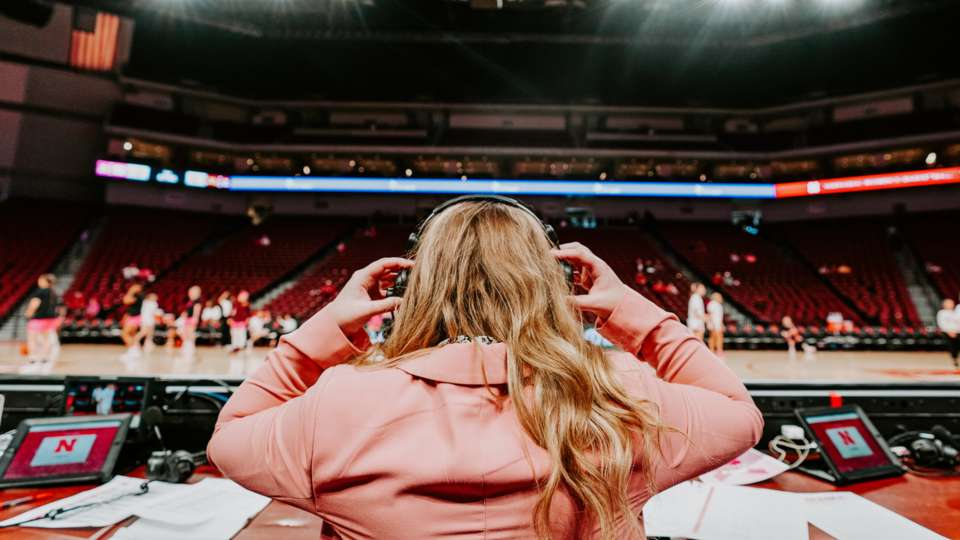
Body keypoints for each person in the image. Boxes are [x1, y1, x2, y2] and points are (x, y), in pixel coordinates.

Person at [207, 197, 762, 540]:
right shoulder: (621, 395)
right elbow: (741, 414)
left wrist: (319, 337)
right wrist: (634, 316)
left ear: (408, 290)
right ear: (554, 288)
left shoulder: (336, 403)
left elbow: (227, 440)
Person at [25, 274, 60, 362]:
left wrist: (29, 311)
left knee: (32, 339)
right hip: (51, 319)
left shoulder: (40, 291)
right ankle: (45, 357)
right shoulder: (54, 292)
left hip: (39, 318)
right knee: (46, 339)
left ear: (44, 281)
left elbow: (35, 302)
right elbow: (57, 308)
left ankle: (32, 358)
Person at [119, 284, 144, 361]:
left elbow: (126, 301)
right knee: (131, 335)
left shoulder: (137, 296)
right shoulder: (137, 296)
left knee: (125, 334)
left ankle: (132, 351)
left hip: (135, 318)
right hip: (136, 317)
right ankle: (135, 351)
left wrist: (130, 291)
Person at [937, 299, 960, 368]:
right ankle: (954, 360)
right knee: (953, 347)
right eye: (949, 303)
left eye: (952, 303)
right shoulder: (942, 313)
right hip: (949, 332)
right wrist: (949, 331)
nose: (951, 304)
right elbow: (942, 323)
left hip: (958, 331)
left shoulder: (956, 312)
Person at [181, 286, 202, 355]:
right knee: (185, 332)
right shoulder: (189, 300)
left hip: (193, 318)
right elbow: (187, 310)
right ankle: (186, 345)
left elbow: (197, 310)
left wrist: (195, 318)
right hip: (188, 318)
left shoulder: (197, 300)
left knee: (191, 333)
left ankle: (191, 346)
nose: (190, 293)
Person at [707, 292, 725, 359]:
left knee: (719, 337)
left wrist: (722, 324)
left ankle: (718, 350)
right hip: (714, 324)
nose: (721, 298)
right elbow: (710, 314)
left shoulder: (719, 305)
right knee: (713, 337)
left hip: (718, 324)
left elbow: (720, 316)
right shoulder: (712, 304)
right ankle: (712, 350)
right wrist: (712, 324)